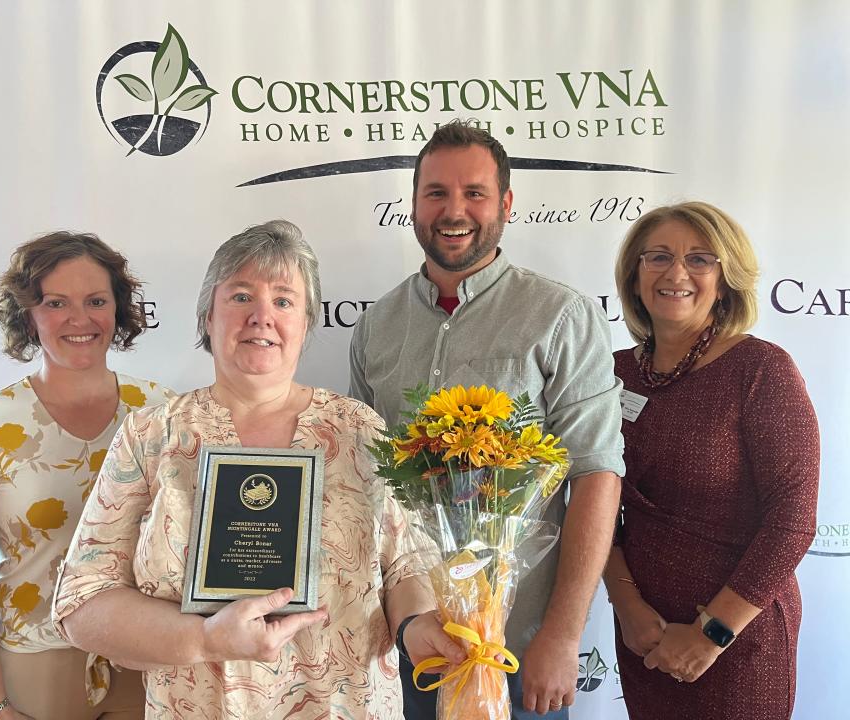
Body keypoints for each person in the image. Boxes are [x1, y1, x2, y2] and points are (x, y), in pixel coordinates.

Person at [52, 220, 464, 719]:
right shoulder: (152, 435)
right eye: (241, 296)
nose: (262, 317)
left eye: (284, 301)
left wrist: (417, 625)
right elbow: (82, 602)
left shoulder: (358, 429)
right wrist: (203, 639)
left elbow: (407, 565)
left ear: (307, 324)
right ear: (207, 316)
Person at [349, 120, 625, 718]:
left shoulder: (560, 315)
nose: (454, 211)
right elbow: (366, 489)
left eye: (474, 193)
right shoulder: (378, 326)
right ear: (415, 203)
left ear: (504, 204)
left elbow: (597, 477)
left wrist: (562, 635)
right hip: (410, 644)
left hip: (522, 645)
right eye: (436, 193)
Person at [0, 232, 173, 720]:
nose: (79, 319)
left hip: (150, 659)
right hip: (36, 666)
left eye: (96, 301)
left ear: (118, 309)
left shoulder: (163, 412)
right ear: (27, 313)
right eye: (56, 302)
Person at [604, 201, 819, 718]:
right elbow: (595, 501)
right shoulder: (611, 375)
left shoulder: (761, 370)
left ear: (725, 282)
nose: (676, 273)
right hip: (644, 638)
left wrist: (712, 633)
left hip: (737, 638)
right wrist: (628, 608)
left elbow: (793, 519)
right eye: (658, 257)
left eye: (700, 259)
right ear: (635, 276)